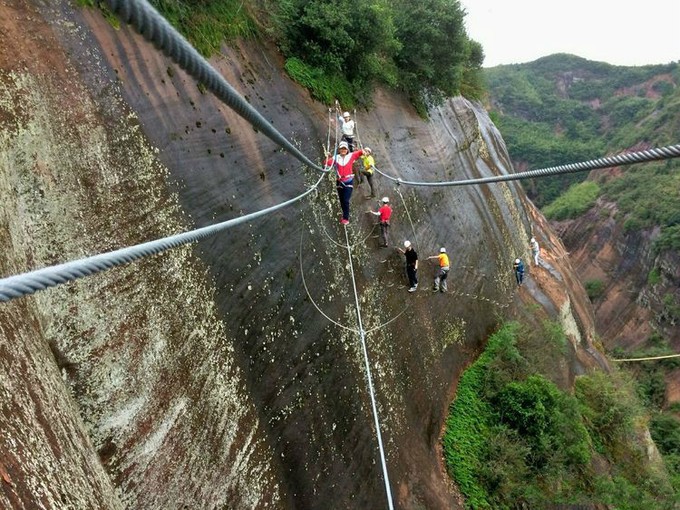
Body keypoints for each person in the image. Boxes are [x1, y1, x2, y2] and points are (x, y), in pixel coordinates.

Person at [325, 141, 364, 225]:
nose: (343, 150)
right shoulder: (336, 158)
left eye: (345, 148)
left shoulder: (351, 156)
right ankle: (343, 216)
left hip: (348, 181)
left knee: (346, 200)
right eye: (342, 148)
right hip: (339, 182)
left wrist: (365, 151)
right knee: (342, 200)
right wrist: (328, 158)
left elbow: (360, 152)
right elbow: (326, 164)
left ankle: (346, 218)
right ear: (339, 149)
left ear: (347, 150)